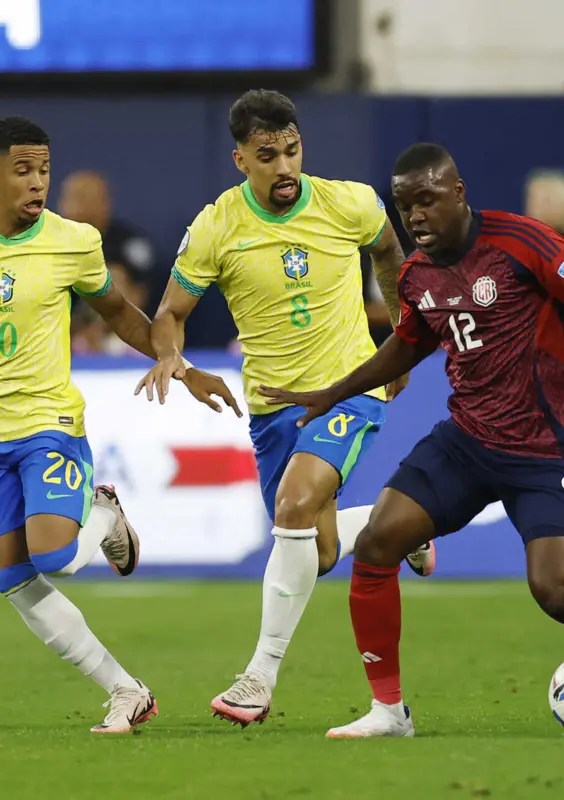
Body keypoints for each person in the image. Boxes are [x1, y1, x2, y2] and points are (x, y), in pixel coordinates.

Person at [261, 144, 564, 738]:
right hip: (467, 442)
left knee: (554, 591)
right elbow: (409, 343)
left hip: (547, 449)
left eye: (426, 200)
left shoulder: (523, 243)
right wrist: (333, 392)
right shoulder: (417, 275)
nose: (415, 215)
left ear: (458, 193)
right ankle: (389, 712)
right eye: (404, 206)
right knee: (377, 543)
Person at [0, 116, 238, 735]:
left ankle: (103, 513)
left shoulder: (73, 241)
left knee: (54, 555)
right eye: (23, 171)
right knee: (12, 576)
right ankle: (125, 690)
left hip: (47, 422)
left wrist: (181, 364)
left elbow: (119, 312)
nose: (38, 183)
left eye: (44, 171)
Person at [134, 89, 437, 728]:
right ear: (241, 159)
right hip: (273, 409)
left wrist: (402, 338)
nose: (285, 166)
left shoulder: (350, 203)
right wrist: (177, 364)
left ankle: (258, 679)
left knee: (294, 505)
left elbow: (389, 253)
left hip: (349, 389)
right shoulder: (216, 227)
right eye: (267, 155)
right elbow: (170, 314)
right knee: (314, 552)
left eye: (292, 151)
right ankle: (401, 525)